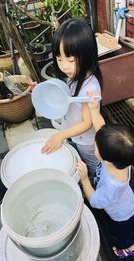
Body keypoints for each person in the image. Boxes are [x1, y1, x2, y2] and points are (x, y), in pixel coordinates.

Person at [77, 92, 134, 259]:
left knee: (124, 236)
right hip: (127, 203)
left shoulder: (112, 186)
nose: (94, 146)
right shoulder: (121, 160)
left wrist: (84, 179)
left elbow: (96, 201)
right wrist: (93, 109)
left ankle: (128, 248)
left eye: (96, 147)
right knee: (128, 228)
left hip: (121, 216)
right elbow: (101, 128)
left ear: (107, 159)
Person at [41, 18, 103, 178]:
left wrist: (60, 135)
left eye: (71, 60)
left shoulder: (90, 88)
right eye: (59, 58)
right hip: (74, 133)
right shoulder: (74, 74)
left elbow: (87, 122)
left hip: (86, 141)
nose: (64, 66)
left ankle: (92, 187)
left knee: (91, 169)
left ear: (87, 55)